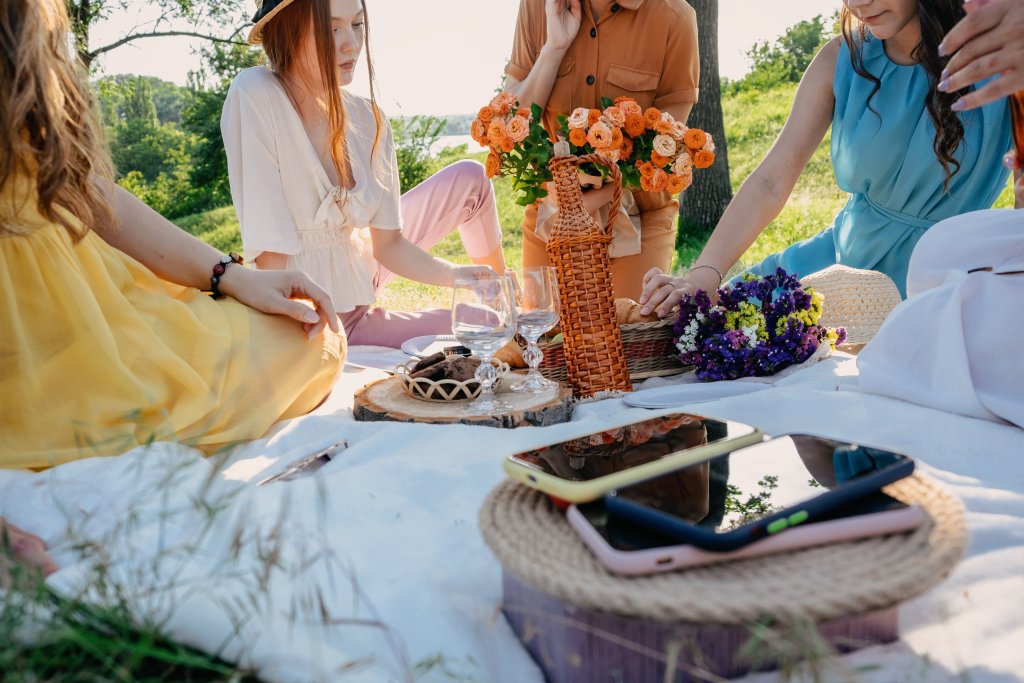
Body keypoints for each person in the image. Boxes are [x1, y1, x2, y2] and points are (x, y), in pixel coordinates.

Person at [0, 0, 344, 470]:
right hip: (32, 325)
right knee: (311, 344)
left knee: (309, 336)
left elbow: (86, 192)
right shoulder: (254, 91)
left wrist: (231, 275)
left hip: (82, 292)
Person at [639, 0, 1016, 318]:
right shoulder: (842, 58)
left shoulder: (1006, 60)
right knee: (703, 338)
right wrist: (703, 277)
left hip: (946, 286)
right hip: (834, 274)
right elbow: (771, 180)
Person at [223, 0, 506, 350]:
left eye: (357, 25)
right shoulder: (255, 93)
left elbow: (388, 246)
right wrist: (293, 341)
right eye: (331, 28)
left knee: (470, 177)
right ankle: (503, 319)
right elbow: (271, 257)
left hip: (362, 265)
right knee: (485, 326)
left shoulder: (368, 117)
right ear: (289, 30)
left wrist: (459, 276)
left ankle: (506, 296)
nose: (352, 44)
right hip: (334, 321)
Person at [502, 0, 700, 301]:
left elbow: (667, 148)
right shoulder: (537, 6)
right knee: (542, 339)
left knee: (629, 338)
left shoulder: (674, 17)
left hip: (640, 217)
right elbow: (513, 122)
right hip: (553, 214)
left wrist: (598, 194)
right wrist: (554, 48)